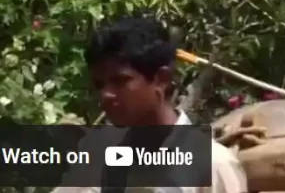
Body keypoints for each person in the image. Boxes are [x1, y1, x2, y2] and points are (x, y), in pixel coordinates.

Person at [61, 16, 249, 193]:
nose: (106, 95)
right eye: (99, 85)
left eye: (120, 81)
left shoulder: (213, 165)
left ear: (162, 79)